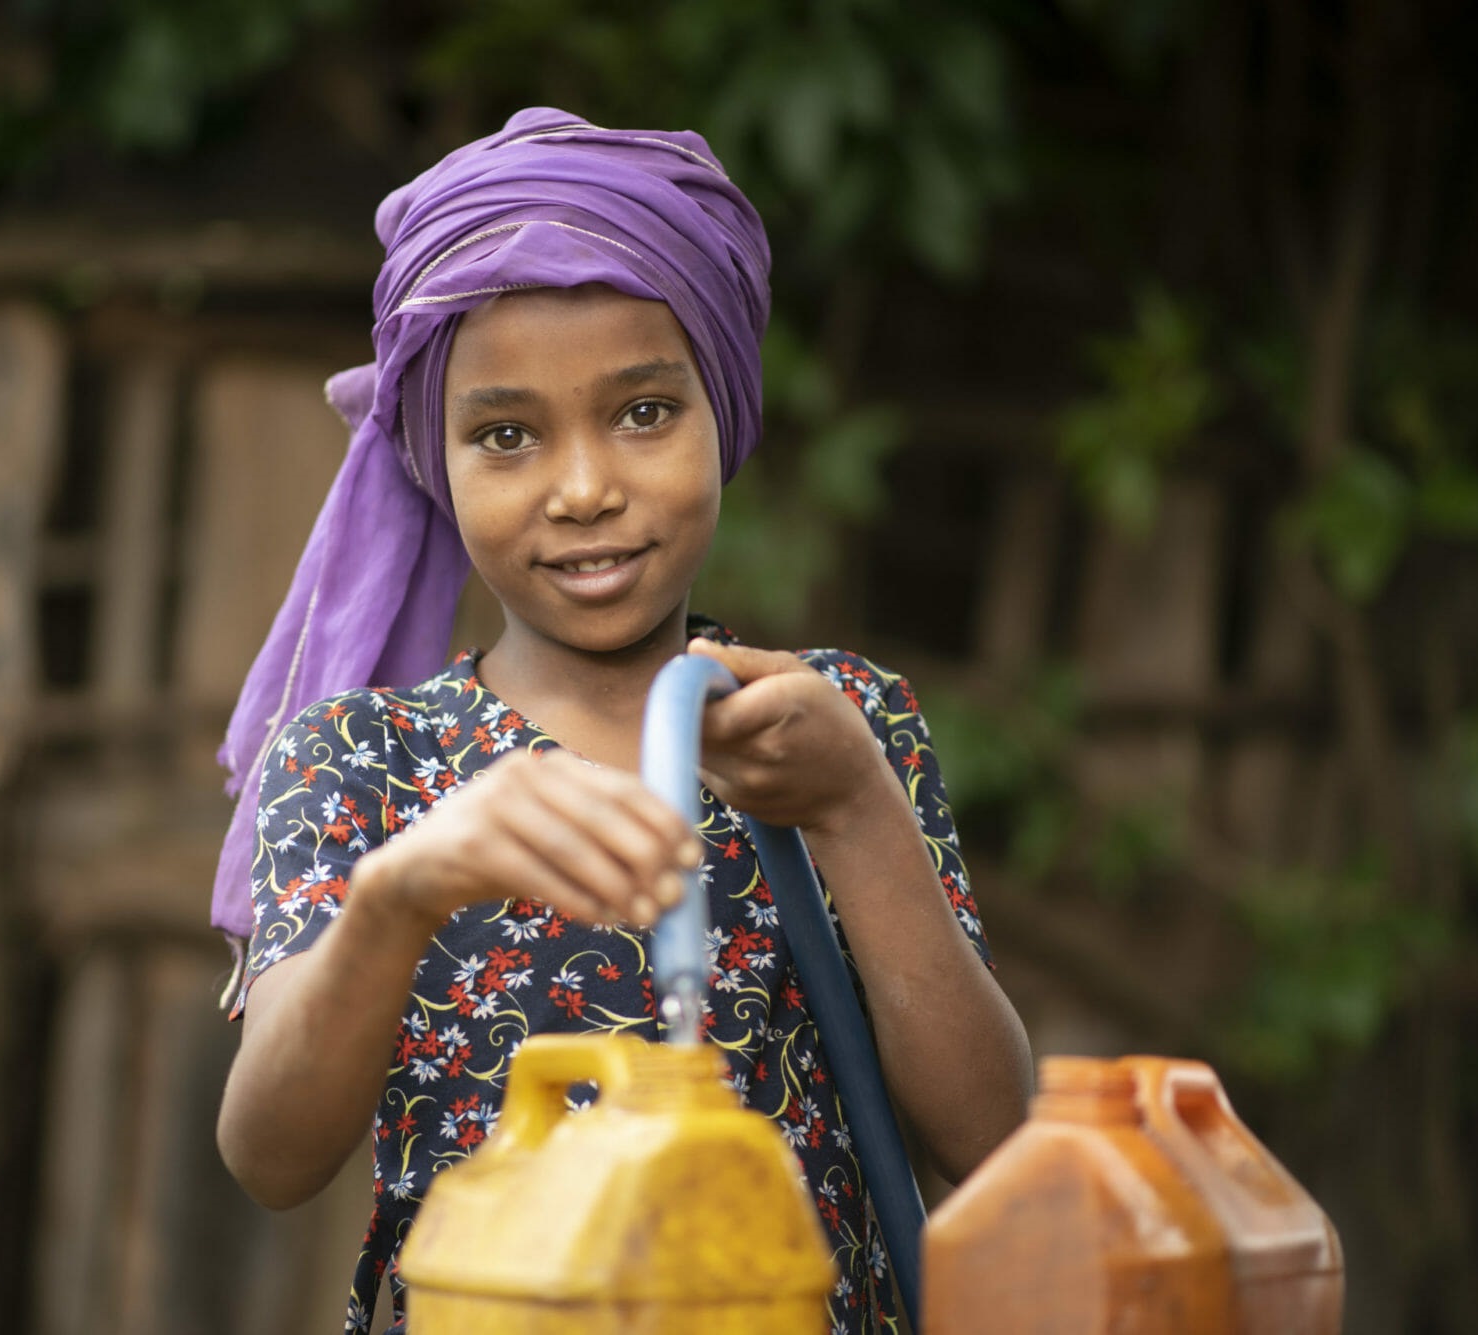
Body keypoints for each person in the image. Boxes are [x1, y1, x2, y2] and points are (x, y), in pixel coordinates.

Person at [213, 107, 1033, 1335]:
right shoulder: (360, 761)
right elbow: (270, 1159)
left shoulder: (831, 727)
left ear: (726, 415)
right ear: (437, 464)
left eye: (642, 413)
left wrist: (855, 808)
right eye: (506, 436)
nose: (585, 488)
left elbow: (992, 1141)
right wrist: (400, 894)